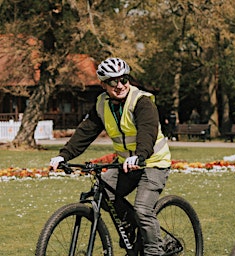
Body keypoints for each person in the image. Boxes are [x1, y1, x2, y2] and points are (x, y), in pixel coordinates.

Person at [49, 57, 171, 255]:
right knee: (104, 192)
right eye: (114, 81)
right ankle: (134, 231)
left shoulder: (142, 102)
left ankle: (153, 251)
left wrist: (140, 156)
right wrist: (64, 156)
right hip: (125, 164)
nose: (121, 85)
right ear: (103, 84)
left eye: (124, 79)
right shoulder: (102, 105)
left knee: (142, 209)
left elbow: (147, 133)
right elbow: (85, 132)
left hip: (153, 162)